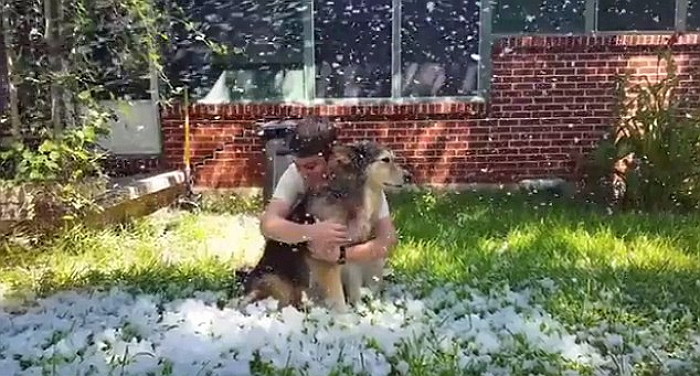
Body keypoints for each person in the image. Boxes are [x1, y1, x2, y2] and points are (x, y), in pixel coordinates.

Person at [259, 116, 398, 264]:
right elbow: (269, 224)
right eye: (298, 166)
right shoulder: (296, 173)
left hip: (356, 261)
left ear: (335, 158)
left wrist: (342, 255)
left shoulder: (360, 180)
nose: (303, 174)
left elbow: (388, 240)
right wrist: (312, 232)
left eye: (311, 167)